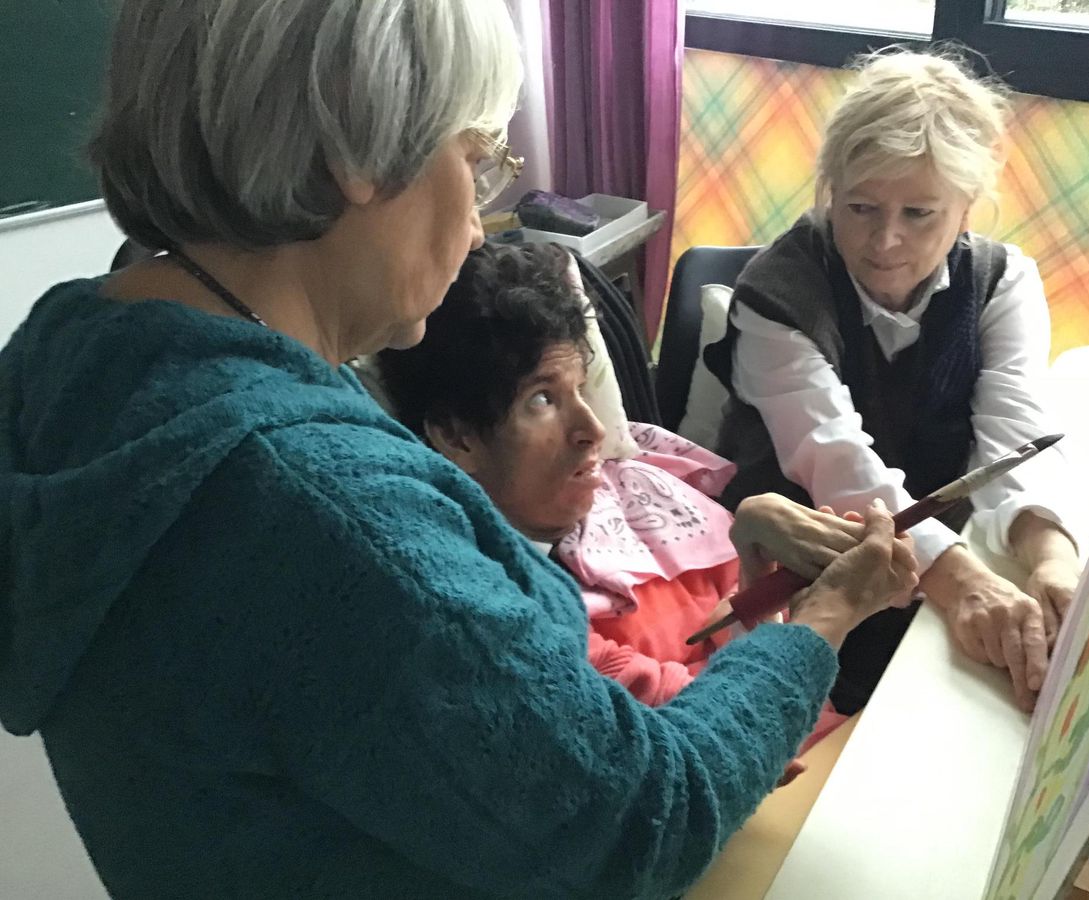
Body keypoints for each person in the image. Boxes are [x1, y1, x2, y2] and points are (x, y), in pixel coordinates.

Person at [0, 2, 917, 898]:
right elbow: (644, 818)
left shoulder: (75, 355)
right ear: (359, 155)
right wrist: (824, 619)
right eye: (476, 161)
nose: (479, 221)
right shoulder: (316, 509)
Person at [705, 48, 1082, 715]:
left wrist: (1050, 555)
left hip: (931, 564)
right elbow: (837, 463)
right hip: (794, 568)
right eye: (860, 207)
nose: (883, 243)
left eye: (919, 214)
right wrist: (964, 583)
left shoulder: (1003, 282)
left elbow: (1014, 436)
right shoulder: (776, 296)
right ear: (829, 191)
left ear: (966, 208)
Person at [374, 243, 849, 758]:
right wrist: (831, 611)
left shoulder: (658, 506)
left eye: (582, 388)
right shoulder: (512, 614)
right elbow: (708, 739)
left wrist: (759, 579)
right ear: (457, 438)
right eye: (542, 399)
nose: (593, 430)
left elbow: (775, 677)